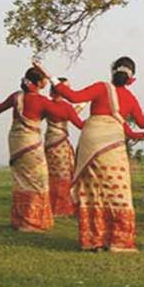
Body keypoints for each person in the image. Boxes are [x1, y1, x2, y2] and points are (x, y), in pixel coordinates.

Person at [35, 58, 144, 252]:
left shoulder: (100, 87)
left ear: (112, 72)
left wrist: (50, 76)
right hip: (113, 143)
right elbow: (142, 123)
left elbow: (74, 96)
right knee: (116, 188)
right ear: (132, 79)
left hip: (91, 140)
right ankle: (118, 241)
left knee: (90, 187)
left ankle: (92, 240)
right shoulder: (130, 97)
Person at [0, 67, 73, 232]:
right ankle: (32, 222)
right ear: (39, 83)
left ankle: (19, 219)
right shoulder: (41, 101)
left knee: (21, 179)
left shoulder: (16, 96)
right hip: (31, 143)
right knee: (37, 180)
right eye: (44, 80)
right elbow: (62, 112)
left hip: (15, 142)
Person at [44, 78, 84, 217]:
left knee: (51, 175)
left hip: (49, 142)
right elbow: (79, 124)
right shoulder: (66, 107)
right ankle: (62, 208)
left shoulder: (46, 104)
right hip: (60, 144)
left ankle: (50, 205)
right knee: (63, 175)